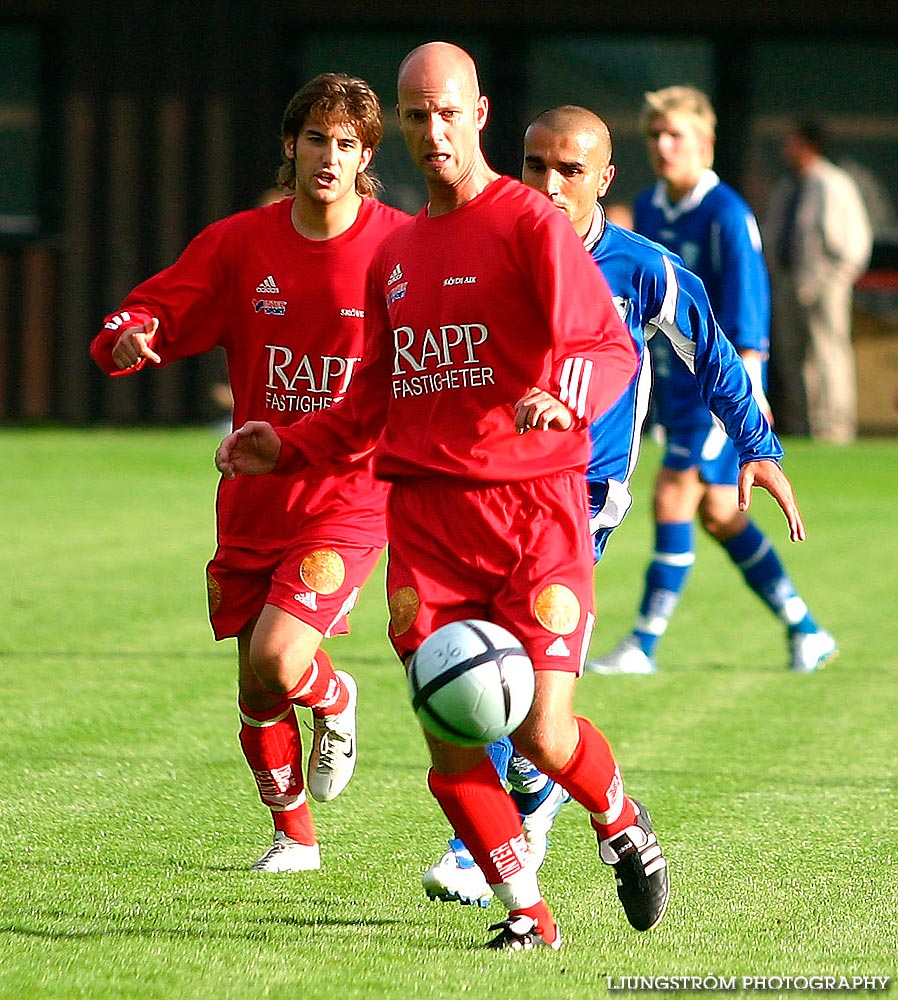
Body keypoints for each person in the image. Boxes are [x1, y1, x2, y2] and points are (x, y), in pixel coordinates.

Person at [215, 41, 667, 952]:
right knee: (454, 736)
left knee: (542, 731)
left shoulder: (530, 223)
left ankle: (620, 820)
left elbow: (610, 348)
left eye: (447, 112)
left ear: (481, 113)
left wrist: (562, 393)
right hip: (427, 522)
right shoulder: (400, 254)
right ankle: (527, 915)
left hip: (534, 514)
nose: (432, 132)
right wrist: (287, 444)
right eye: (415, 116)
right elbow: (374, 401)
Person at [422, 104, 809, 908]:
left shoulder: (642, 269)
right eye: (535, 166)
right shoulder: (478, 248)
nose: (551, 185)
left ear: (604, 180)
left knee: (497, 655)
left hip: (580, 498)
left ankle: (477, 843)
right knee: (501, 678)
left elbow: (716, 358)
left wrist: (759, 450)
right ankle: (536, 789)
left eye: (571, 170)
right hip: (480, 489)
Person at [90, 73, 410, 873]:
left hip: (348, 495)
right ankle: (293, 838)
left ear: (366, 155)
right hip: (252, 496)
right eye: (315, 140)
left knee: (279, 659)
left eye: (346, 145)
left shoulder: (400, 248)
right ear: (290, 147)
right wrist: (130, 333)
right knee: (256, 687)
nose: (328, 157)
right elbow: (156, 306)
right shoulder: (240, 243)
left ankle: (336, 698)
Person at [590, 86, 837, 676]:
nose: (663, 146)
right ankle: (806, 627)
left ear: (705, 142)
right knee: (721, 514)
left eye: (675, 135)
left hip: (714, 397)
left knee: (671, 495)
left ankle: (643, 645)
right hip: (672, 393)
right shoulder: (649, 208)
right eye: (653, 135)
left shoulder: (727, 213)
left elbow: (748, 316)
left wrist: (750, 399)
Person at [764, 119, 873, 443]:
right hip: (788, 282)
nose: (787, 149)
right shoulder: (788, 186)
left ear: (808, 145)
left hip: (825, 284)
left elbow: (854, 242)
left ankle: (834, 428)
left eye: (793, 142)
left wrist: (833, 278)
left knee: (828, 354)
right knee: (791, 356)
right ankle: (802, 425)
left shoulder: (833, 183)